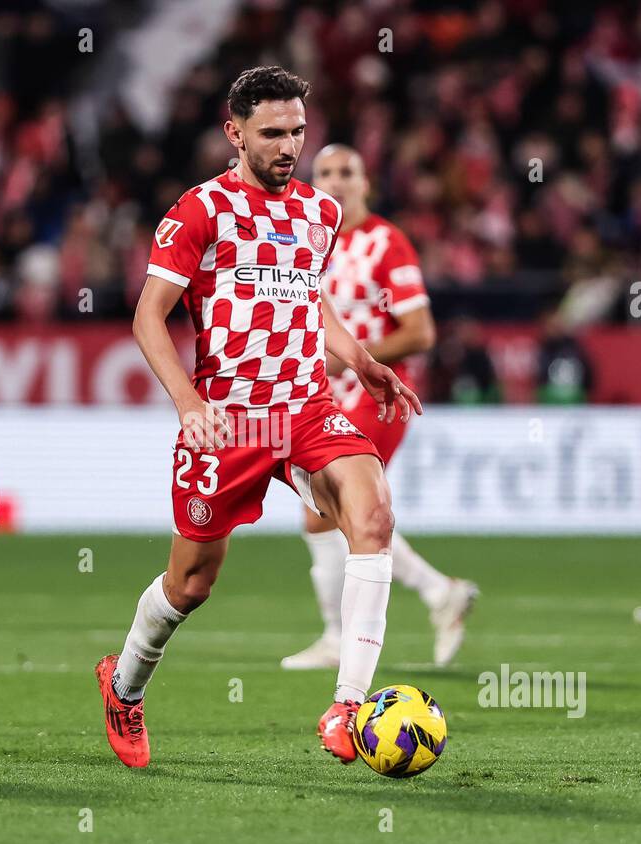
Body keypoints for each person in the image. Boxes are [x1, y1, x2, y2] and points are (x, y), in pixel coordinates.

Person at [94, 67, 421, 768]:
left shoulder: (320, 214)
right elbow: (148, 317)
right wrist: (189, 404)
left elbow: (307, 298)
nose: (288, 146)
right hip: (231, 417)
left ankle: (350, 706)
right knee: (191, 584)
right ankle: (123, 684)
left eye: (298, 131)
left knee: (372, 516)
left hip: (305, 405)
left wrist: (360, 359)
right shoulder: (198, 212)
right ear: (233, 132)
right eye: (272, 133)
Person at [280, 143, 476, 671]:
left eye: (348, 172)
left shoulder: (386, 244)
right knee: (335, 513)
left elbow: (420, 331)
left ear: (366, 182)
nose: (337, 181)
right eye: (325, 173)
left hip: (379, 397)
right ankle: (439, 593)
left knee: (327, 512)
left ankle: (340, 638)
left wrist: (356, 362)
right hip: (322, 396)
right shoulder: (307, 241)